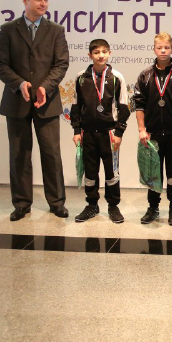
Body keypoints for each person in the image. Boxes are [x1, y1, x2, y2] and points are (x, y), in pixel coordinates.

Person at [0, 0, 69, 221]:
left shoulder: (56, 30)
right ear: (25, 0)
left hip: (47, 102)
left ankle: (56, 202)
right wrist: (19, 83)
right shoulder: (8, 30)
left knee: (51, 154)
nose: (43, 4)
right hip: (17, 101)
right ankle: (22, 204)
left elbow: (61, 64)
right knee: (19, 155)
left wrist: (45, 87)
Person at [133, 33, 172, 226]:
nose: (163, 51)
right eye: (159, 48)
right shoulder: (145, 75)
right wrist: (142, 129)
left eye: (166, 47)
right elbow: (139, 105)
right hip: (152, 134)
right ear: (154, 49)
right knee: (153, 173)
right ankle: (153, 208)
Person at [70, 39, 130, 223]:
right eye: (96, 52)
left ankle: (113, 206)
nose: (100, 55)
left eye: (104, 52)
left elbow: (124, 107)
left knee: (112, 172)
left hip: (109, 133)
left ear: (110, 53)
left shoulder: (116, 77)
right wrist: (77, 130)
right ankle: (92, 205)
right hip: (87, 133)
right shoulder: (81, 77)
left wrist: (119, 133)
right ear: (89, 55)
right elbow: (76, 106)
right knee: (90, 172)